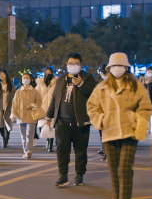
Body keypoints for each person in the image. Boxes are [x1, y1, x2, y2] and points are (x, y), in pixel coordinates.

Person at [87, 53, 152, 199]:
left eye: (120, 66)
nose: (117, 69)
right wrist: (100, 120)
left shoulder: (136, 86)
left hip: (129, 134)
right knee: (114, 171)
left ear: (126, 68)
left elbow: (146, 107)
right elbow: (91, 107)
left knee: (124, 168)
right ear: (109, 69)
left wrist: (139, 121)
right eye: (113, 66)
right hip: (109, 135)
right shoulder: (101, 88)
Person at [46, 53, 97, 187]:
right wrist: (49, 115)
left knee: (80, 150)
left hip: (80, 122)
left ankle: (79, 174)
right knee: (62, 148)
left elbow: (94, 93)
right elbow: (54, 99)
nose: (73, 66)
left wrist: (80, 83)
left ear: (80, 65)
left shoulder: (88, 78)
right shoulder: (61, 80)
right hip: (62, 121)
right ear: (66, 64)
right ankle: (62, 175)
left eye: (76, 64)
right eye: (70, 64)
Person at [11, 73, 42, 159]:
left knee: (30, 134)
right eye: (24, 78)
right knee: (23, 135)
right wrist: (13, 114)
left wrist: (32, 105)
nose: (25, 79)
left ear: (30, 79)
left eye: (27, 78)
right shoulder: (18, 92)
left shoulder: (35, 91)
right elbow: (14, 104)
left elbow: (39, 102)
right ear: (22, 80)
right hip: (21, 116)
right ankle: (26, 151)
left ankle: (29, 150)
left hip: (31, 116)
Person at [37, 66, 57, 152]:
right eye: (47, 73)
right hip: (43, 108)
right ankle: (47, 141)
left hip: (52, 108)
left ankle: (50, 144)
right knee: (42, 127)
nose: (48, 74)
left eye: (50, 73)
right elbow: (36, 95)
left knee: (51, 126)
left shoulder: (56, 83)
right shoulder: (40, 84)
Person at [0, 70, 15, 148]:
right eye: (0, 74)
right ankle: (4, 137)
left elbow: (14, 97)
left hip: (8, 108)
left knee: (7, 125)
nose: (1, 76)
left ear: (6, 75)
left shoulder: (11, 86)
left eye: (3, 74)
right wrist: (0, 89)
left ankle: (6, 140)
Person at [96, 64, 109, 160]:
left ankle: (106, 151)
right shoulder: (97, 83)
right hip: (101, 112)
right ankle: (105, 151)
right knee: (103, 134)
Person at [141, 66, 152, 135]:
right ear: (146, 72)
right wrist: (145, 84)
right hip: (146, 99)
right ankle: (146, 129)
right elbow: (141, 89)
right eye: (148, 72)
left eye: (151, 72)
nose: (150, 73)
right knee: (146, 115)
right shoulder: (143, 79)